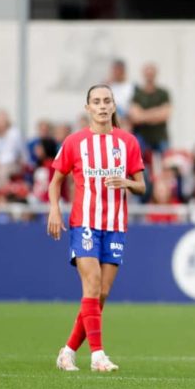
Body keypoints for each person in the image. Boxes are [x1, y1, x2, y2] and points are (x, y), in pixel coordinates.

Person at [47, 84, 145, 373]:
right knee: (90, 286)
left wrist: (126, 182)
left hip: (115, 226)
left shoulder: (127, 142)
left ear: (114, 106)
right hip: (84, 224)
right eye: (96, 102)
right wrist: (54, 208)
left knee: (100, 294)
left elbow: (141, 185)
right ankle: (98, 355)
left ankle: (67, 351)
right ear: (87, 107)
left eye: (107, 101)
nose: (102, 106)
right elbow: (55, 181)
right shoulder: (75, 142)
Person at [129, 62, 172, 154]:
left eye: (151, 73)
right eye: (147, 73)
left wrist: (143, 114)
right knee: (138, 163)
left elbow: (165, 115)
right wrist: (156, 113)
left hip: (160, 136)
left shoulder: (163, 93)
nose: (149, 76)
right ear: (143, 74)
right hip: (142, 137)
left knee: (167, 162)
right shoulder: (137, 94)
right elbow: (135, 117)